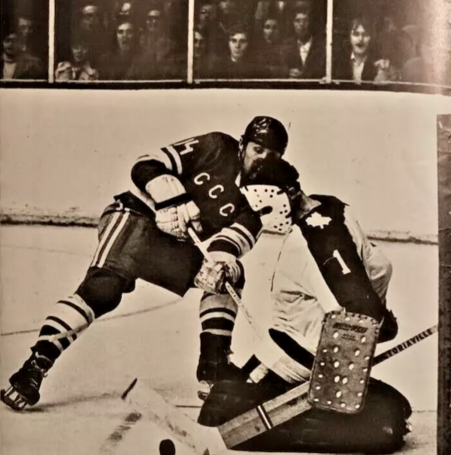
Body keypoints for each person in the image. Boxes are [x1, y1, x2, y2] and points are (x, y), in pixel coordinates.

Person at [1, 116, 292, 411]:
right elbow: (145, 164)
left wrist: (220, 265)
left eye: (273, 155)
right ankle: (36, 365)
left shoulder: (259, 204)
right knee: (103, 291)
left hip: (171, 247)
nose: (263, 160)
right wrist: (169, 198)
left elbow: (225, 246)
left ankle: (213, 370)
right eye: (258, 150)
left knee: (227, 279)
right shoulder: (217, 146)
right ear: (243, 145)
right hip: (136, 217)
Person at [198, 167, 411, 455]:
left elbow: (356, 313)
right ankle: (233, 400)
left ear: (291, 194)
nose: (264, 221)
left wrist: (373, 327)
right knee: (389, 415)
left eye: (266, 210)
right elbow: (378, 270)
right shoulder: (335, 208)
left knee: (217, 413)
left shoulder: (308, 241)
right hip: (301, 363)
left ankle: (237, 399)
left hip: (301, 365)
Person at [333, 16, 396, 83]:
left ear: (371, 38)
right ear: (349, 37)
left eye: (365, 34)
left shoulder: (380, 65)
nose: (360, 39)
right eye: (356, 34)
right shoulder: (338, 62)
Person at [281, 4, 326, 80]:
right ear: (292, 24)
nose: (301, 24)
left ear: (311, 23)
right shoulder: (285, 47)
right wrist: (287, 72)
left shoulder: (323, 46)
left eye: (305, 20)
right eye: (297, 21)